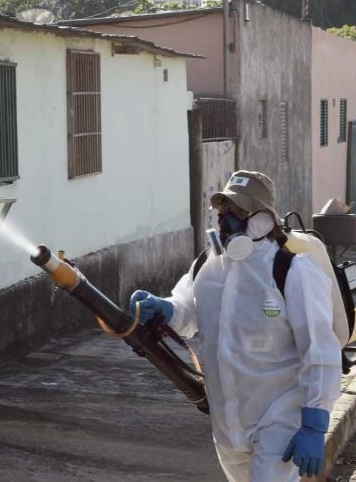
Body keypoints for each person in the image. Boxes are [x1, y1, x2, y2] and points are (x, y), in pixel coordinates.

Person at [127, 171, 342, 481]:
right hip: (228, 420)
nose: (227, 219)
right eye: (223, 211)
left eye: (239, 211)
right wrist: (163, 308)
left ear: (265, 218)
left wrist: (314, 423)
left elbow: (320, 349)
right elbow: (186, 312)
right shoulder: (207, 267)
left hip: (280, 416)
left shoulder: (292, 271)